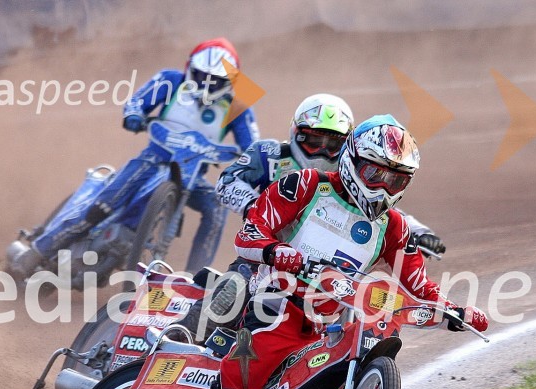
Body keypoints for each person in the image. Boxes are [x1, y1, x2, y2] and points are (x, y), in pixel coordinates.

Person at [105, 115, 488, 389]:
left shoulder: (393, 227)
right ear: (351, 160)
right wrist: (276, 251)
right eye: (375, 173)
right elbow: (249, 234)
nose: (382, 187)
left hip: (326, 328)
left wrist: (455, 310)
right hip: (274, 308)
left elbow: (418, 284)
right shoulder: (306, 186)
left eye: (396, 180)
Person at [179, 95, 446, 342]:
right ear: (296, 133)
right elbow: (227, 181)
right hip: (266, 256)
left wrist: (420, 232)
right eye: (314, 141)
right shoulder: (270, 154)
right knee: (233, 287)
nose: (322, 151)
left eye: (333, 144)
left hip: (333, 272)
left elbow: (382, 213)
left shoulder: (354, 173)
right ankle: (182, 336)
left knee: (361, 312)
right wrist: (253, 207)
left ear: (348, 147)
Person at [29, 38, 260, 273]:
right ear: (190, 68)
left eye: (217, 80)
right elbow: (137, 102)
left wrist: (255, 164)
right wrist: (134, 116)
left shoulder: (239, 106)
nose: (209, 84)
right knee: (106, 203)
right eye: (203, 76)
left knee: (216, 206)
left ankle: (196, 278)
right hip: (152, 160)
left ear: (232, 81)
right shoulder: (171, 80)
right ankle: (38, 252)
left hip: (192, 176)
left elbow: (253, 146)